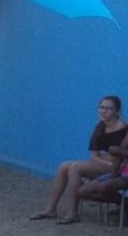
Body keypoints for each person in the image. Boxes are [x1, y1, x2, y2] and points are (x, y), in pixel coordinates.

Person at [31, 95, 128, 224]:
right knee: (64, 166)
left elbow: (120, 155)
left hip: (118, 166)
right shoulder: (100, 126)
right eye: (101, 107)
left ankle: (72, 212)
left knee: (75, 168)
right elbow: (94, 155)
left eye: (108, 108)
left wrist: (109, 160)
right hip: (103, 163)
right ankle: (51, 208)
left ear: (117, 111)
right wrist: (104, 160)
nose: (103, 111)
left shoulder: (123, 128)